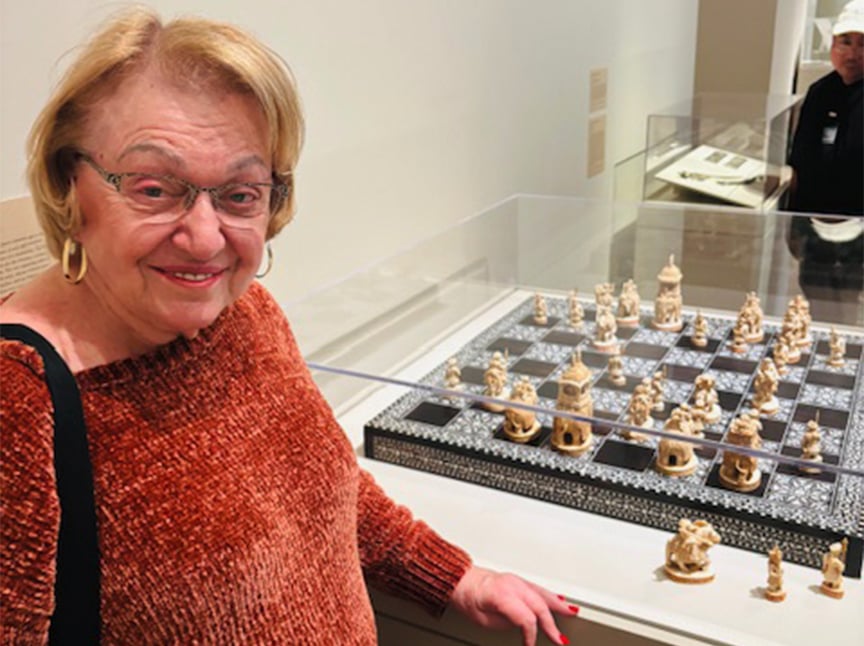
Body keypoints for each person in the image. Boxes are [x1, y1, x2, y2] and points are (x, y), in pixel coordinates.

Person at [0, 9, 577, 645]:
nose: (203, 237)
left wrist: (455, 578)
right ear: (68, 183)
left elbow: (318, 487)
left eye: (240, 194)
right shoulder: (17, 397)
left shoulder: (248, 315)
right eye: (155, 188)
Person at [785, 0, 863, 324]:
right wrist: (791, 225)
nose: (853, 53)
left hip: (859, 237)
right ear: (832, 45)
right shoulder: (818, 93)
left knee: (848, 310)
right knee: (815, 304)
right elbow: (799, 164)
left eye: (863, 44)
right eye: (845, 42)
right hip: (815, 231)